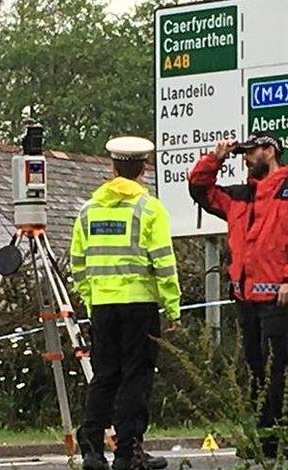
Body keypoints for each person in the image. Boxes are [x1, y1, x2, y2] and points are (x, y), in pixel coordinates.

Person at [188, 131, 288, 459]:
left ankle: (284, 435)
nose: (246, 158)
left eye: (251, 152)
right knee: (255, 368)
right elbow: (200, 189)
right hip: (245, 297)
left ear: (270, 150)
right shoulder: (239, 195)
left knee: (278, 367)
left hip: (278, 295)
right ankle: (263, 437)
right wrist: (216, 158)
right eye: (244, 153)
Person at [71, 136, 181, 470]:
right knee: (136, 376)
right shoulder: (149, 209)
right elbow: (163, 261)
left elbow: (78, 263)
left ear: (112, 167)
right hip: (139, 305)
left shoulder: (89, 210)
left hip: (103, 307)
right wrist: (172, 306)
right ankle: (127, 452)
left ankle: (91, 447)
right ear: (143, 168)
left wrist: (91, 300)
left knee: (104, 375)